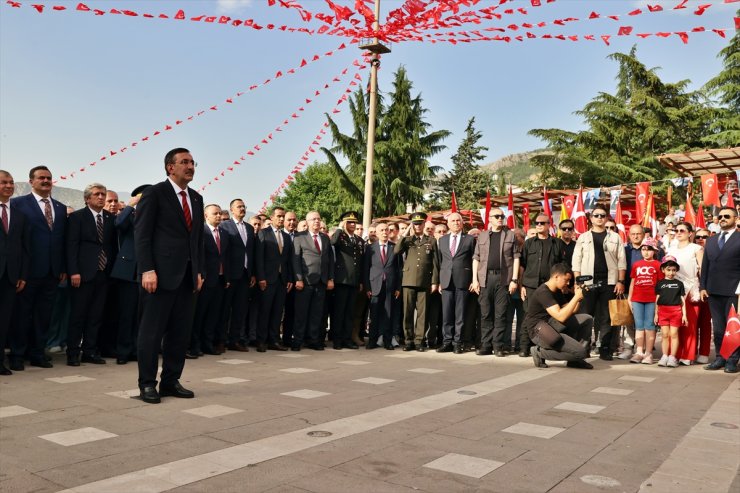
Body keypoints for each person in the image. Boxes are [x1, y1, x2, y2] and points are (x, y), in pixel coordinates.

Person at [135, 147, 205, 404]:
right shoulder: (155, 193)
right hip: (159, 276)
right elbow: (141, 235)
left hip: (187, 277)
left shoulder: (196, 198)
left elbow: (196, 240)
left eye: (192, 162)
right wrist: (147, 269)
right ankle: (146, 384)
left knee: (180, 333)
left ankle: (171, 380)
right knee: (151, 333)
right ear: (170, 167)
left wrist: (199, 271)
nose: (190, 166)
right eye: (184, 162)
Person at [9, 166, 67, 371]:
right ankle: (17, 354)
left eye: (49, 178)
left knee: (44, 316)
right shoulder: (17, 204)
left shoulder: (60, 208)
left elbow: (62, 241)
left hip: (52, 272)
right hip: (28, 272)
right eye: (41, 178)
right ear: (31, 181)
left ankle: (37, 353)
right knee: (22, 315)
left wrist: (62, 267)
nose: (45, 181)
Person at [65, 183, 117, 366]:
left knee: (96, 315)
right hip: (82, 274)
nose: (101, 197)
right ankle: (72, 352)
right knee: (78, 315)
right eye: (97, 194)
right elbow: (71, 246)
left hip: (104, 274)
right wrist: (74, 271)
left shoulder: (111, 218)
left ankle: (90, 351)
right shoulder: (77, 217)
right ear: (87, 198)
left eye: (103, 194)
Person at [571, 206, 626, 361]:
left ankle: (605, 348)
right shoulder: (583, 237)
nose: (600, 218)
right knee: (586, 316)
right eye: (596, 215)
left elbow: (622, 261)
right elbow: (577, 261)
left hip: (609, 282)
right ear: (591, 218)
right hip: (588, 283)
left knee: (607, 317)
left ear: (606, 218)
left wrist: (621, 281)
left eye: (603, 215)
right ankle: (584, 348)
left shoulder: (615, 237)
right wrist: (578, 281)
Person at [524, 263, 593, 369]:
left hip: (553, 324)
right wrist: (575, 298)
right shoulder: (543, 292)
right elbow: (561, 316)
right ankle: (539, 352)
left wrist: (579, 296)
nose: (568, 283)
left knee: (587, 319)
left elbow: (572, 310)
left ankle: (574, 360)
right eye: (566, 280)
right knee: (581, 352)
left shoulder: (557, 290)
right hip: (540, 331)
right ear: (556, 277)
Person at [471, 208, 520, 357]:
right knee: (485, 314)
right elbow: (476, 258)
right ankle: (486, 345)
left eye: (502, 216)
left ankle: (498, 346)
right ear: (489, 218)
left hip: (503, 279)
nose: (500, 218)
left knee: (501, 314)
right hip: (485, 278)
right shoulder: (483, 235)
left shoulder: (511, 235)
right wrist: (475, 279)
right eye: (497, 216)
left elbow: (516, 258)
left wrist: (514, 280)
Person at [110, 184, 149, 365]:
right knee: (126, 314)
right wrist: (131, 205)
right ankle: (123, 351)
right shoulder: (129, 215)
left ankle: (136, 349)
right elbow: (118, 224)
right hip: (128, 272)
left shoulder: (155, 216)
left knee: (141, 316)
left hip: (148, 272)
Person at [700, 206, 740, 373]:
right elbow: (705, 266)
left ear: (736, 219)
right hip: (713, 290)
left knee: (733, 327)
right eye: (721, 216)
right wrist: (702, 287)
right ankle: (720, 358)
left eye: (727, 216)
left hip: (734, 291)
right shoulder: (711, 240)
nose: (723, 218)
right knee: (718, 327)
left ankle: (732, 360)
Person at [188, 204, 231, 359]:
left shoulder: (224, 233)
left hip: (220, 280)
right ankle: (195, 345)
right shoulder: (201, 232)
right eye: (215, 213)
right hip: (205, 280)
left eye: (220, 213)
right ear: (206, 215)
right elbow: (198, 256)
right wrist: (200, 275)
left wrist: (226, 277)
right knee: (200, 314)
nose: (219, 216)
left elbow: (225, 257)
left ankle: (208, 344)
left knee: (214, 314)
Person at [394, 212, 439, 352]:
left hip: (425, 281)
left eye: (420, 223)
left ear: (424, 224)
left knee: (422, 314)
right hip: (408, 280)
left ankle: (419, 341)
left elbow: (435, 263)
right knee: (407, 312)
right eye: (415, 223)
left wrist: (434, 282)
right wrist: (407, 231)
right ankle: (408, 340)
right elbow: (396, 250)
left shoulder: (431, 241)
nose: (417, 226)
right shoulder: (408, 240)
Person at [519, 214, 563, 357]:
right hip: (531, 286)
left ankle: (544, 347)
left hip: (550, 287)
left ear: (549, 224)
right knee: (528, 316)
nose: (539, 225)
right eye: (536, 223)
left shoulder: (557, 243)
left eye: (542, 223)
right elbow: (522, 266)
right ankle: (524, 347)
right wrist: (521, 285)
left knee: (549, 317)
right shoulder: (529, 243)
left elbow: (562, 267)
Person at [0, 170, 30, 375]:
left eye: (11, 183)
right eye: (4, 182)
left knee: (3, 321)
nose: (9, 186)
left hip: (10, 277)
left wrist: (22, 275)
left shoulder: (19, 215)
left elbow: (24, 248)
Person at [292, 211, 334, 350]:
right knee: (301, 313)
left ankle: (313, 340)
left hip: (321, 281)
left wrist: (330, 278)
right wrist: (298, 279)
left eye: (318, 219)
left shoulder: (325, 238)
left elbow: (329, 261)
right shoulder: (299, 236)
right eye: (313, 219)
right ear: (307, 221)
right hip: (305, 280)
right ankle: (298, 340)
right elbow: (296, 259)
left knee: (317, 314)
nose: (317, 221)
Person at [436, 212, 476, 354]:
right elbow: (439, 262)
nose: (456, 223)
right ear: (448, 223)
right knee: (446, 314)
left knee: (460, 314)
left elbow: (474, 260)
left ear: (462, 222)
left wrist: (473, 280)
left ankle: (458, 343)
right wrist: (439, 281)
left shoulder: (470, 239)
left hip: (463, 280)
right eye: (453, 221)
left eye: (458, 220)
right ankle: (447, 342)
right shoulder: (442, 240)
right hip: (446, 281)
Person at [220, 199, 256, 353]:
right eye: (239, 207)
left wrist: (253, 273)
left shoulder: (249, 227)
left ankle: (234, 340)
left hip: (245, 275)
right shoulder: (225, 226)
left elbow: (251, 252)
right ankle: (221, 340)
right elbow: (224, 253)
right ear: (231, 209)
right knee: (224, 310)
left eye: (243, 207)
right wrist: (225, 275)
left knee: (240, 310)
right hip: (230, 275)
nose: (242, 209)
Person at [667, 222, 705, 366]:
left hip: (690, 289)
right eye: (676, 230)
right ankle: (674, 353)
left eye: (682, 230)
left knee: (689, 323)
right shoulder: (671, 248)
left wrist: (702, 288)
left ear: (690, 233)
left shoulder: (696, 248)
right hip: (672, 290)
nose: (678, 232)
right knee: (674, 324)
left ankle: (688, 355)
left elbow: (702, 269)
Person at [255, 207, 293, 352]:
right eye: (279, 216)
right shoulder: (263, 233)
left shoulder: (286, 236)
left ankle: (274, 340)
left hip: (282, 280)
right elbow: (259, 258)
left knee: (278, 312)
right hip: (267, 279)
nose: (282, 219)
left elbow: (288, 260)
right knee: (265, 311)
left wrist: (289, 278)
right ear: (272, 217)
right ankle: (261, 341)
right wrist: (261, 277)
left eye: (283, 216)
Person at [363, 222, 401, 350]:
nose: (385, 232)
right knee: (374, 315)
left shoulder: (394, 247)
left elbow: (398, 269)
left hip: (390, 286)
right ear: (377, 233)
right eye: (382, 230)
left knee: (388, 314)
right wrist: (367, 288)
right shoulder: (370, 248)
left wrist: (398, 287)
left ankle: (387, 341)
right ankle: (372, 341)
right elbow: (366, 268)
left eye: (386, 230)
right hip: (375, 285)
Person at [330, 211, 365, 350]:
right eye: (349, 222)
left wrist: (361, 281)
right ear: (344, 223)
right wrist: (339, 228)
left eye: (354, 222)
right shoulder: (340, 236)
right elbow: (333, 242)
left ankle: (347, 338)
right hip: (342, 280)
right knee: (339, 311)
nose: (352, 224)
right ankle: (337, 339)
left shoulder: (358, 240)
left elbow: (361, 263)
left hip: (354, 281)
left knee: (350, 312)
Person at [627, 238, 662, 364]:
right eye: (643, 249)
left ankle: (648, 353)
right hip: (637, 299)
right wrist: (630, 299)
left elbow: (660, 284)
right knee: (639, 326)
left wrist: (659, 301)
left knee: (650, 326)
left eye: (649, 249)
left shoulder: (658, 265)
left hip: (652, 299)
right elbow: (632, 282)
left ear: (654, 251)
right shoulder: (636, 264)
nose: (646, 252)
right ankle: (639, 351)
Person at [654, 256, 687, 368]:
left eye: (673, 270)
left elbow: (682, 300)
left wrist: (685, 315)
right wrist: (656, 314)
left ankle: (672, 357)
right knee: (664, 334)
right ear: (663, 270)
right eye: (668, 269)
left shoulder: (679, 284)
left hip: (676, 311)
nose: (671, 272)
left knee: (673, 334)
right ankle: (664, 356)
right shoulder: (659, 283)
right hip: (663, 311)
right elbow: (657, 300)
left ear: (676, 270)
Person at [692, 228, 713, 363]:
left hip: (707, 292)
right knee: (692, 322)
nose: (700, 239)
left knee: (705, 323)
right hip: (691, 291)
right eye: (698, 236)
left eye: (704, 237)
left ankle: (704, 352)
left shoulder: (713, 253)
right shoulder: (690, 252)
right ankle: (691, 351)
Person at [281, 211, 298, 347]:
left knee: (292, 312)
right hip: (280, 279)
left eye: (294, 220)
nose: (292, 222)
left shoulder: (301, 236)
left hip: (295, 280)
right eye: (289, 220)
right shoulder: (279, 235)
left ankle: (287, 338)